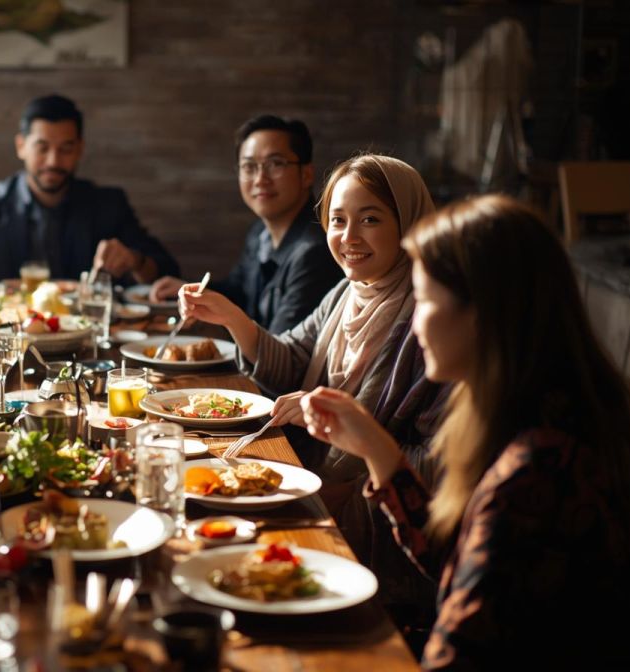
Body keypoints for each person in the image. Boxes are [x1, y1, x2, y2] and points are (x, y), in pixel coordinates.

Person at [299, 196, 630, 669]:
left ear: (485, 312)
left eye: (425, 300)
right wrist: (377, 450)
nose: (414, 322)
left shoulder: (539, 467)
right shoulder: (539, 411)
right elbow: (463, 562)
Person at [180, 154, 448, 626]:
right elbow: (293, 363)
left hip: (377, 527)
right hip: (311, 483)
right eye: (338, 221)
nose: (349, 237)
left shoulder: (433, 319)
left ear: (409, 224)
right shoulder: (346, 294)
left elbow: (443, 464)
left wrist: (352, 480)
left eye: (370, 219)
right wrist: (233, 319)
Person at [0, 94, 179, 287]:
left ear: (80, 149)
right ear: (21, 146)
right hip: (10, 335)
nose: (53, 161)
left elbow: (167, 270)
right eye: (42, 148)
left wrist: (135, 260)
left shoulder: (107, 203)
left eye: (66, 149)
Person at [149, 115, 340, 333]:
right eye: (249, 166)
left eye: (275, 164)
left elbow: (281, 347)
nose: (260, 179)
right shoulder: (260, 232)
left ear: (306, 174)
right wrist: (190, 290)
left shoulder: (315, 251)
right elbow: (238, 292)